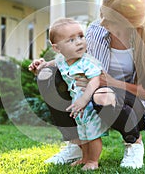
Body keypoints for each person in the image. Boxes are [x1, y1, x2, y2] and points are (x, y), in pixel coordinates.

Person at [35, 0, 145, 169]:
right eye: (103, 14)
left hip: (131, 106)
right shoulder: (96, 29)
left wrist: (112, 82)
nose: (103, 22)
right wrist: (48, 65)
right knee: (48, 75)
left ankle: (134, 144)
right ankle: (77, 145)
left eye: (111, 19)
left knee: (103, 94)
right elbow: (76, 60)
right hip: (92, 95)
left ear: (130, 22)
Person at [29, 18, 109, 170]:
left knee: (93, 135)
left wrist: (84, 100)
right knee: (83, 134)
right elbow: (50, 64)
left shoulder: (87, 62)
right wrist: (40, 65)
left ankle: (93, 161)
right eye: (71, 40)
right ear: (57, 48)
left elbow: (95, 81)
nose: (79, 42)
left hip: (90, 106)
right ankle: (84, 158)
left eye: (80, 36)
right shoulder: (62, 60)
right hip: (77, 107)